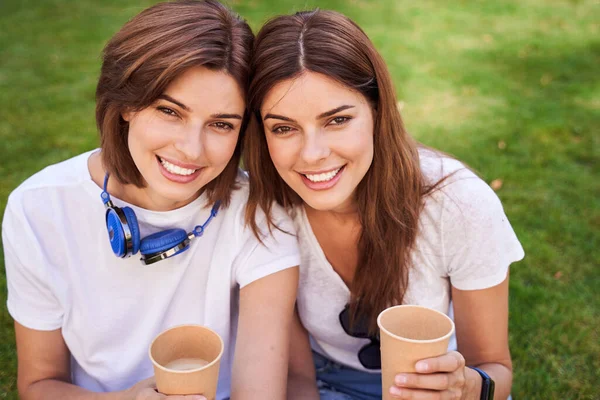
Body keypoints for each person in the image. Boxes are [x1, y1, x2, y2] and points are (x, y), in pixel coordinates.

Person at [2, 1, 300, 399]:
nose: (191, 149)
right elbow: (39, 384)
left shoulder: (260, 213)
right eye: (169, 111)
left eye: (221, 124)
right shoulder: (39, 209)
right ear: (125, 103)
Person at [243, 9, 524, 400]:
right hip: (323, 379)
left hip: (430, 385)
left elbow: (495, 370)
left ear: (376, 111)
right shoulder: (266, 206)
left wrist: (463, 384)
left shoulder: (459, 205)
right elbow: (297, 378)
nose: (312, 154)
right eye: (284, 128)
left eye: (337, 120)